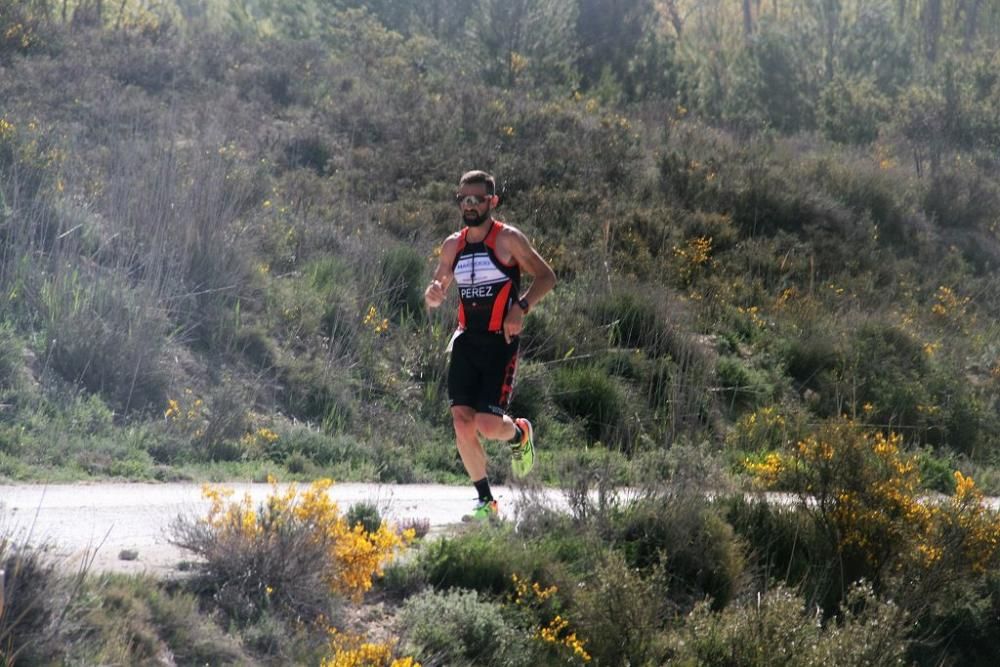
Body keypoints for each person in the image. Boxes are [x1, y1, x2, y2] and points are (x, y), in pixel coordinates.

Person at [424, 170, 556, 521]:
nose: (468, 206)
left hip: (501, 342)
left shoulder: (508, 240)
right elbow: (438, 284)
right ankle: (486, 501)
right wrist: (434, 294)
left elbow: (547, 277)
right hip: (467, 341)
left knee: (485, 424)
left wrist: (521, 307)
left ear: (491, 202)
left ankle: (519, 433)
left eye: (476, 199)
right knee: (461, 423)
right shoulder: (454, 245)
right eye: (463, 199)